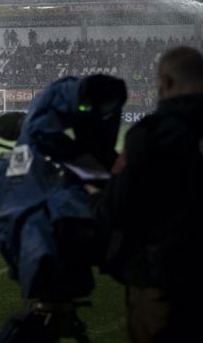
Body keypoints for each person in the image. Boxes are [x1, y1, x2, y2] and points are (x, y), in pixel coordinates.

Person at [84, 46, 203, 342]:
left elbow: (118, 209)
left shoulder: (153, 134)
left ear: (166, 82)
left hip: (163, 279)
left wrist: (92, 193)